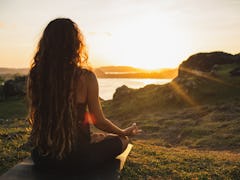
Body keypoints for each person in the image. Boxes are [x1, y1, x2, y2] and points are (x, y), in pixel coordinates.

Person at [27, 18, 141, 173]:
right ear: (75, 44)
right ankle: (89, 141)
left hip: (43, 158)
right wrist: (123, 132)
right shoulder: (86, 77)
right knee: (123, 141)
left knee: (97, 138)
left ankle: (88, 140)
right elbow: (99, 121)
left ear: (46, 44)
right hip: (78, 158)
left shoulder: (36, 75)